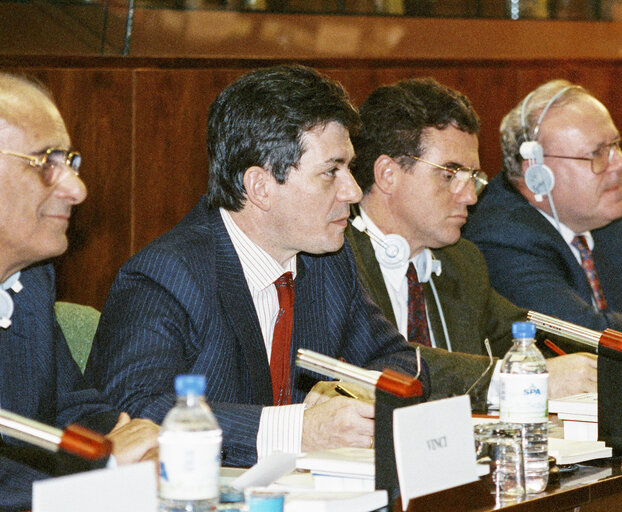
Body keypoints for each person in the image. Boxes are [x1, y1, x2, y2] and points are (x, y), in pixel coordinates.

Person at [85, 65, 428, 468]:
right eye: (331, 171)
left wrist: (351, 391)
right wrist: (298, 430)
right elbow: (137, 415)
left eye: (349, 168)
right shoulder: (165, 276)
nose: (353, 190)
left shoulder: (329, 261)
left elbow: (401, 363)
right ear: (260, 186)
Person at [348, 77, 598, 403]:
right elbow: (384, 363)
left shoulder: (461, 260)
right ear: (387, 174)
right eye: (450, 175)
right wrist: (513, 382)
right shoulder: (337, 261)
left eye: (474, 178)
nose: (470, 196)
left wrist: (619, 357)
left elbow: (529, 333)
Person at [0, 73, 158, 511]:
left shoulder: (30, 281)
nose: (76, 189)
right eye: (47, 163)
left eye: (69, 162)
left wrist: (133, 440)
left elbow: (74, 407)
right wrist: (102, 472)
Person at [464, 79, 622, 359]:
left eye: (616, 145)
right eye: (597, 153)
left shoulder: (615, 222)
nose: (620, 163)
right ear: (537, 174)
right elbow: (579, 332)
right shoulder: (501, 234)